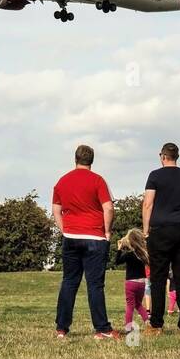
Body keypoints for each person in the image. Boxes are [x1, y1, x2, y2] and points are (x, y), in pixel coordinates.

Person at [52, 144, 118, 340]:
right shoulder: (98, 180)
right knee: (95, 284)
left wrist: (65, 230)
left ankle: (61, 328)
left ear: (75, 159)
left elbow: (56, 210)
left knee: (69, 281)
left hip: (71, 237)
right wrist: (107, 231)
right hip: (94, 237)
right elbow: (109, 208)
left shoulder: (62, 181)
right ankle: (102, 328)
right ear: (92, 160)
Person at [143, 142, 180, 335]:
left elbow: (148, 204)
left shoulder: (155, 176)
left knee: (158, 278)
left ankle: (156, 325)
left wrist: (145, 231)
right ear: (177, 157)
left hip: (160, 230)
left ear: (163, 156)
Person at [115, 228, 150, 330]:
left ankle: (128, 327)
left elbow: (117, 262)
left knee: (130, 306)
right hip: (142, 283)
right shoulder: (143, 254)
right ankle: (147, 321)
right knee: (138, 304)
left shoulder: (129, 255)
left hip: (131, 283)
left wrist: (119, 248)